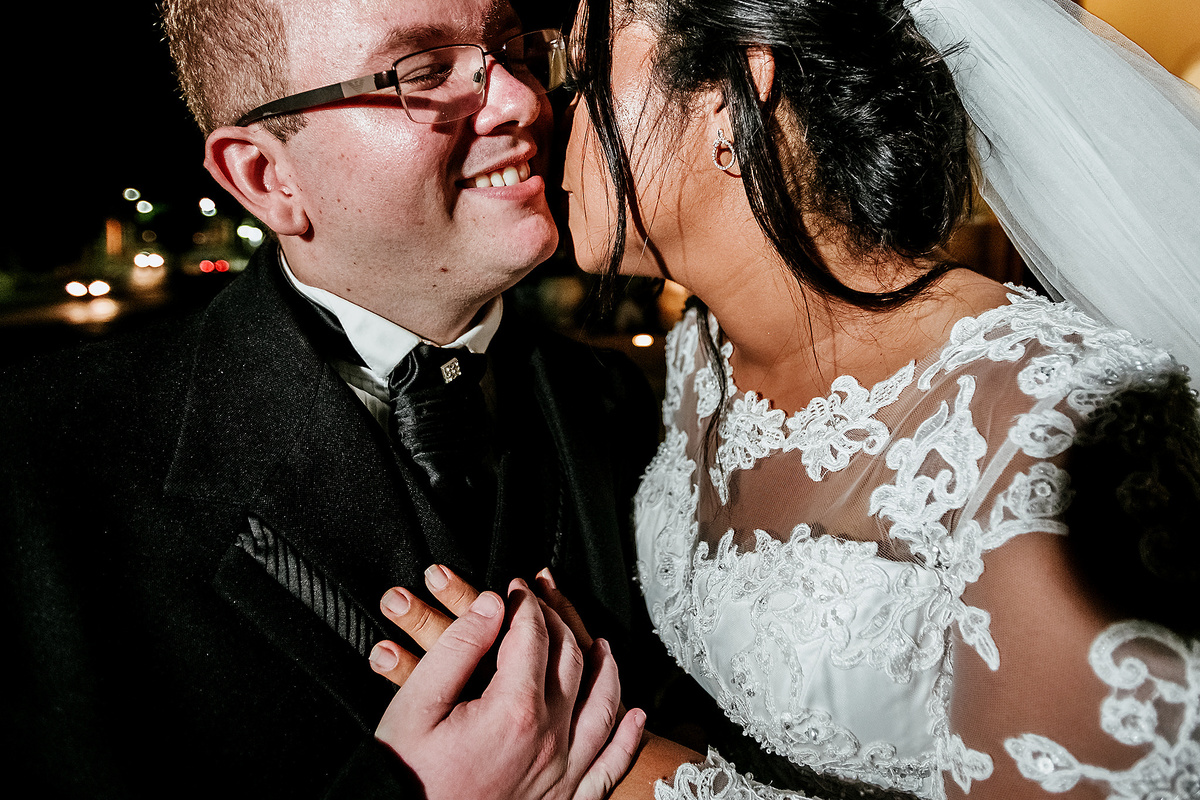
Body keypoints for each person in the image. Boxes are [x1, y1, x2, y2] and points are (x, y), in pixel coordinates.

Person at [382, 0, 1200, 797]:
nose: (551, 111)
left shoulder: (1057, 430)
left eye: (590, 73)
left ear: (734, 87)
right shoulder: (701, 359)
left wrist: (588, 757)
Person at [0, 0, 659, 796]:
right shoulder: (33, 469)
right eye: (424, 72)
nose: (522, 99)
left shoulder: (621, 400)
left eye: (511, 48)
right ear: (267, 176)